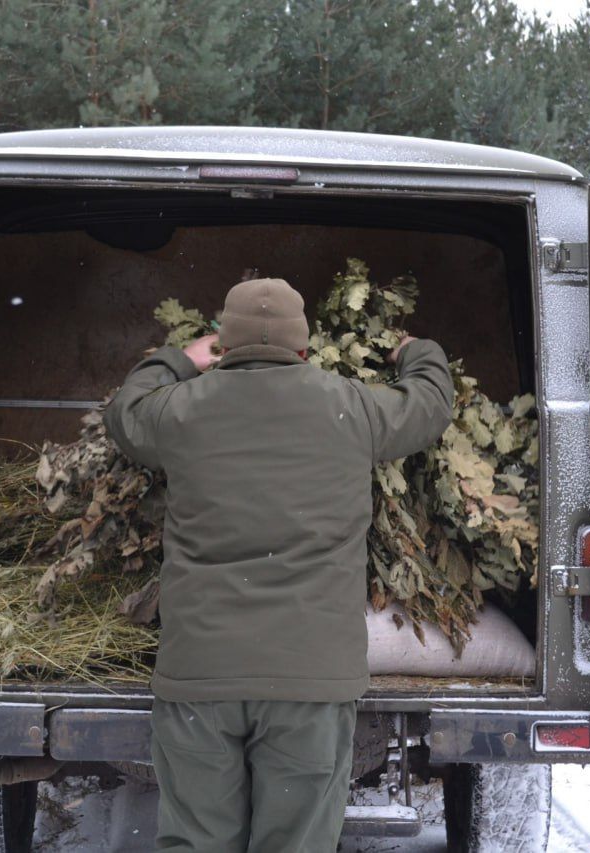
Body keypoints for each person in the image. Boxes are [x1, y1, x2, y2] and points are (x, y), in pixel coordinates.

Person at [104, 277, 454, 852]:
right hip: (309, 680)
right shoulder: (352, 406)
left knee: (195, 842)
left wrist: (177, 360)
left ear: (224, 347)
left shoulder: (181, 410)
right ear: (304, 348)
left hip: (201, 674)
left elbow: (126, 412)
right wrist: (416, 351)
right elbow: (430, 405)